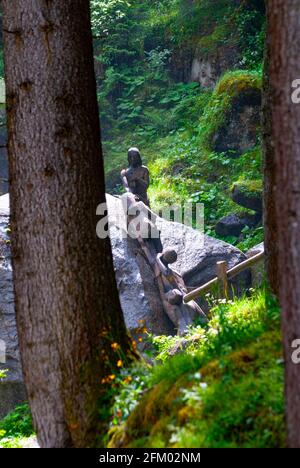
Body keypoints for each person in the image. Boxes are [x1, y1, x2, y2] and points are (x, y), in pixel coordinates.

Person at [154, 248, 206, 335]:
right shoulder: (160, 268)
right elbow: (165, 272)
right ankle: (185, 331)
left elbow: (169, 275)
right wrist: (157, 259)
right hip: (169, 297)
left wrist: (181, 291)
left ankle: (193, 327)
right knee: (177, 311)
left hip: (178, 295)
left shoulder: (170, 270)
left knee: (187, 305)